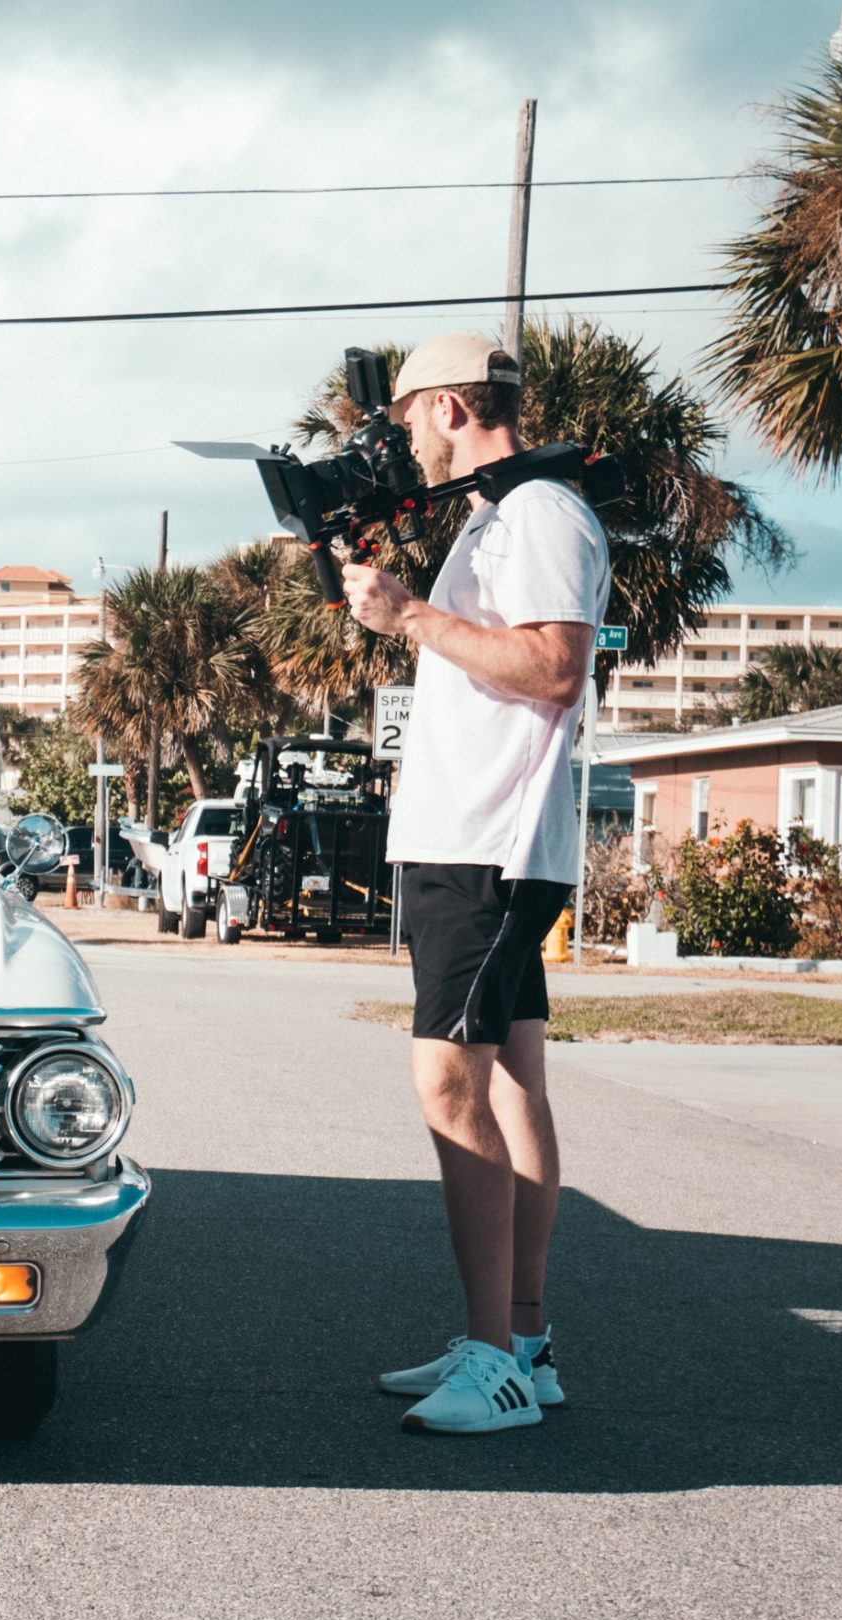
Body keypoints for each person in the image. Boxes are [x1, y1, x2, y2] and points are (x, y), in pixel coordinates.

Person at [338, 331, 610, 1437]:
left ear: (448, 407)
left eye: (408, 421)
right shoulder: (501, 519)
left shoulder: (539, 514)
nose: (404, 443)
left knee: (450, 1087)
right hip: (480, 840)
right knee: (510, 1085)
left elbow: (552, 664)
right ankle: (520, 1343)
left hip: (486, 847)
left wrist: (408, 615)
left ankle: (494, 1359)